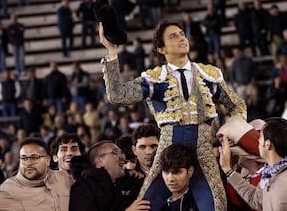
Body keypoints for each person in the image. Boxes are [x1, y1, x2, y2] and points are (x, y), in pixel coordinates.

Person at [99, 19, 252, 210]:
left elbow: (237, 105)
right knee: (145, 206)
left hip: (203, 149)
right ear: (161, 48)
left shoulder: (208, 74)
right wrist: (112, 53)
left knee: (215, 206)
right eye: (173, 36)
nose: (181, 38)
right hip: (168, 147)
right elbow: (117, 95)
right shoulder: (155, 79)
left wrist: (232, 132)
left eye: (182, 34)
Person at [219, 117, 287, 211]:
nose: (257, 142)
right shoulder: (270, 172)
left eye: (260, 138)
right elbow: (255, 200)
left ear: (268, 144)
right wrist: (228, 171)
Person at [0, 137, 72, 211]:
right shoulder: (8, 189)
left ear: (47, 160)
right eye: (24, 158)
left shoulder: (63, 177)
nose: (28, 162)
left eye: (34, 157)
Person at [69, 140, 143, 211]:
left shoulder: (131, 181)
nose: (123, 157)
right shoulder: (82, 189)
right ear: (99, 161)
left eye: (121, 153)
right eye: (116, 152)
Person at [160, 144, 199, 211]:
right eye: (166, 172)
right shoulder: (157, 203)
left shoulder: (199, 204)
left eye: (176, 172)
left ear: (190, 171)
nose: (170, 179)